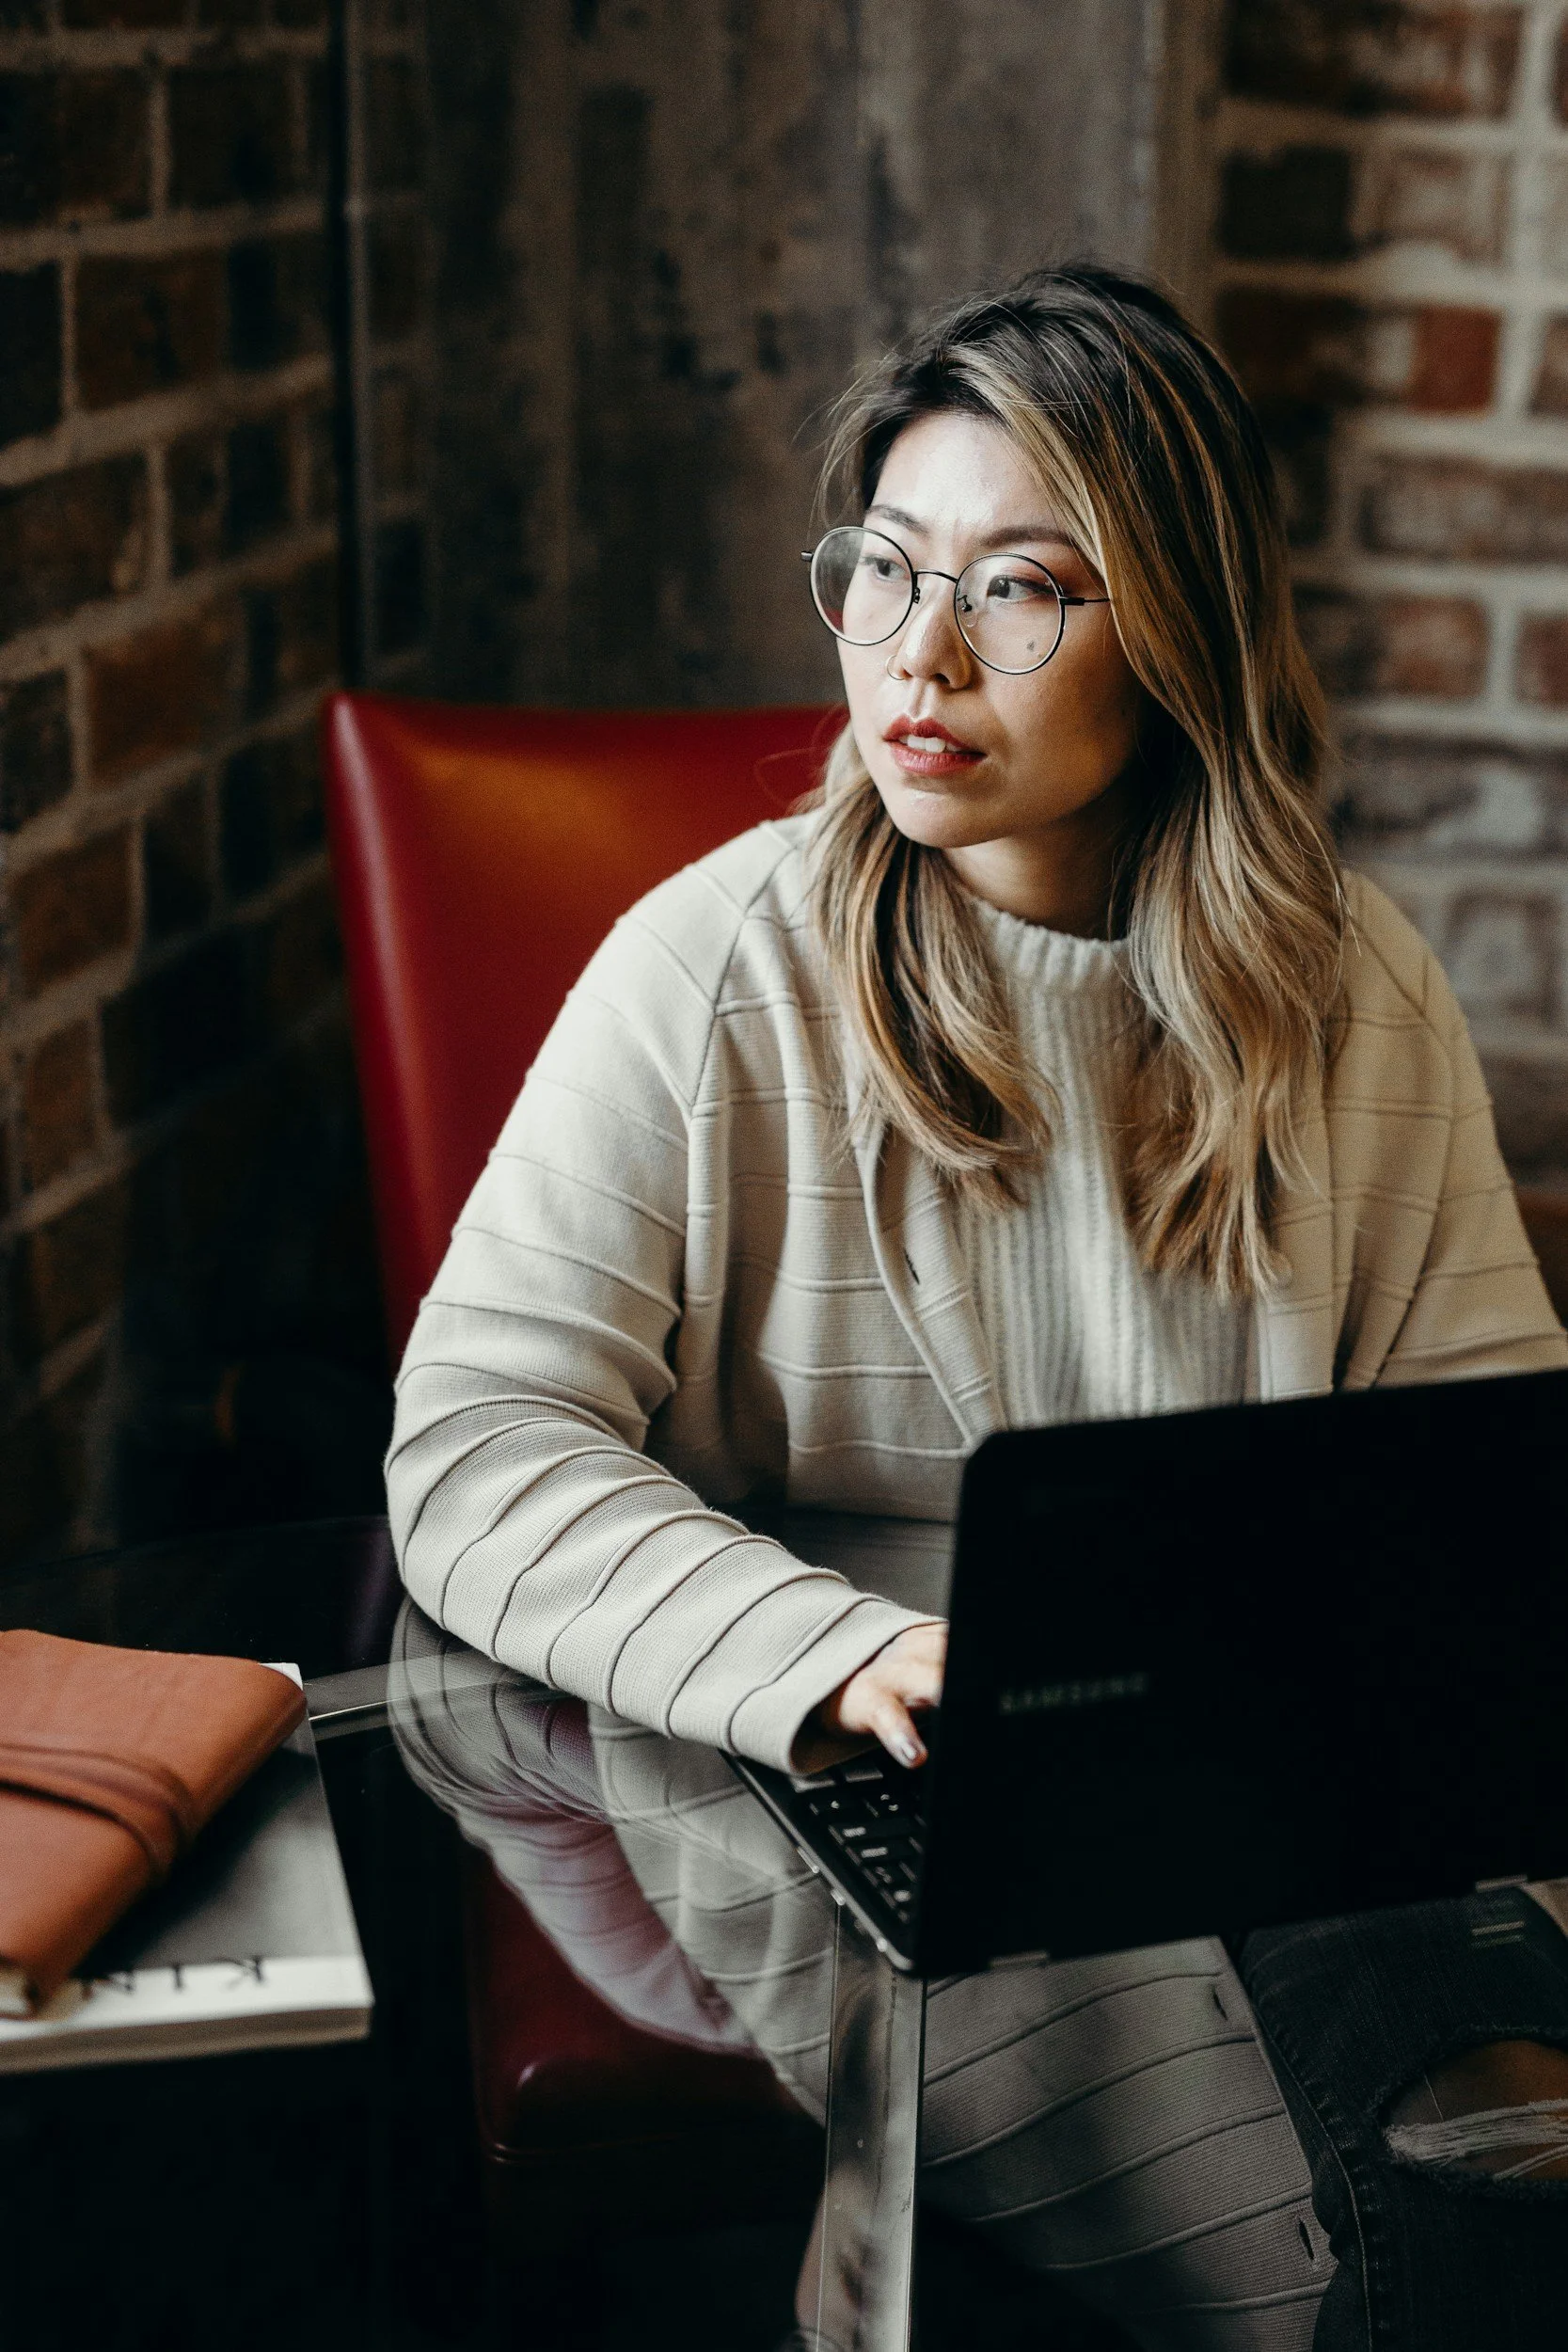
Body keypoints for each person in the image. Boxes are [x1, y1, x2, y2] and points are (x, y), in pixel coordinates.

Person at [388, 268, 1568, 2347]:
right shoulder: (712, 965)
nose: (914, 656)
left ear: (1176, 635)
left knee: (1506, 2170)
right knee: (1374, 2255)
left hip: (1275, 1751)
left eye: (1018, 590)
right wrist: (838, 1650)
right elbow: (475, 1448)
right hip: (826, 1745)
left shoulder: (1346, 981)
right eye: (883, 571)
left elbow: (1482, 1474)